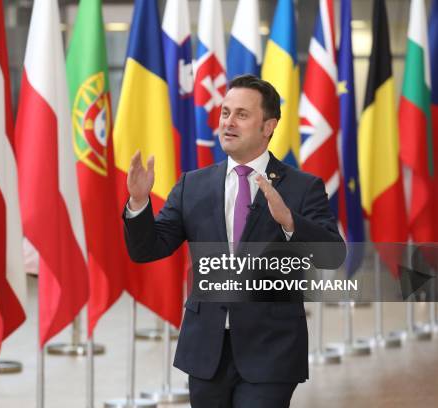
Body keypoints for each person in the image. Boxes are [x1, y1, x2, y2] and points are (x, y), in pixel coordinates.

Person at [123, 74, 345, 407]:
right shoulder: (192, 185)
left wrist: (289, 221)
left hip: (272, 349)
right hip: (206, 350)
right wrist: (139, 204)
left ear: (268, 126)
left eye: (242, 114)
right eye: (225, 112)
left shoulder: (302, 187)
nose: (228, 122)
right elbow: (146, 249)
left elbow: (333, 255)